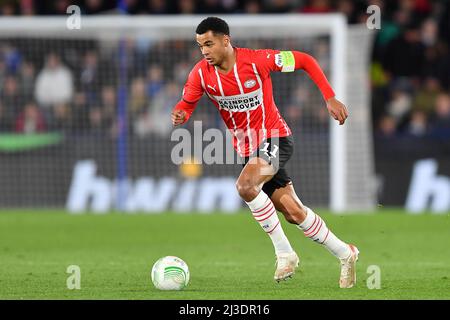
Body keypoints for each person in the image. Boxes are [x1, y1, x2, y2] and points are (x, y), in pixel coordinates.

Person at [171, 17, 359, 288]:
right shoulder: (200, 74)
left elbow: (305, 60)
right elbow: (187, 102)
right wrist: (181, 113)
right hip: (248, 150)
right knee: (294, 213)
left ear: (226, 40)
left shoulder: (258, 60)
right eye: (201, 46)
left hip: (275, 137)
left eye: (209, 44)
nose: (205, 51)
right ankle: (345, 252)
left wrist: (329, 96)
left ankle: (285, 254)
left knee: (246, 186)